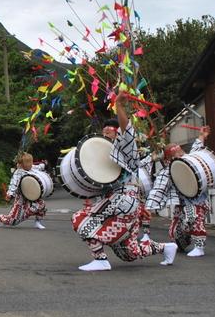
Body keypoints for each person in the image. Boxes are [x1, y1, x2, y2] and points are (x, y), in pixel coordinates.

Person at [72, 101, 178, 271]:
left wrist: (119, 106)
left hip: (123, 200)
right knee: (128, 252)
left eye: (110, 130)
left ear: (118, 134)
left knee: (80, 219)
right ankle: (165, 248)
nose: (105, 133)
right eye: (104, 130)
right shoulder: (104, 155)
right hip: (124, 204)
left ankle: (100, 259)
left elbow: (126, 129)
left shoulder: (126, 150)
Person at [145, 126, 213, 257]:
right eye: (175, 153)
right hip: (181, 204)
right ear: (169, 158)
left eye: (180, 151)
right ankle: (182, 244)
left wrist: (202, 136)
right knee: (175, 232)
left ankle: (199, 247)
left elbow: (196, 148)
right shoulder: (168, 171)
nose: (180, 153)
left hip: (197, 201)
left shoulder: (191, 159)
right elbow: (159, 188)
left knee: (193, 218)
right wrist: (149, 207)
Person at [0, 152, 47, 230]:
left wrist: (44, 164)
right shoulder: (18, 173)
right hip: (21, 198)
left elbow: (39, 167)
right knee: (13, 221)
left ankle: (37, 222)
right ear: (23, 164)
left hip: (31, 195)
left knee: (41, 205)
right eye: (29, 162)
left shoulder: (31, 167)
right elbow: (13, 185)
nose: (31, 164)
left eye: (31, 162)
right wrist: (10, 194)